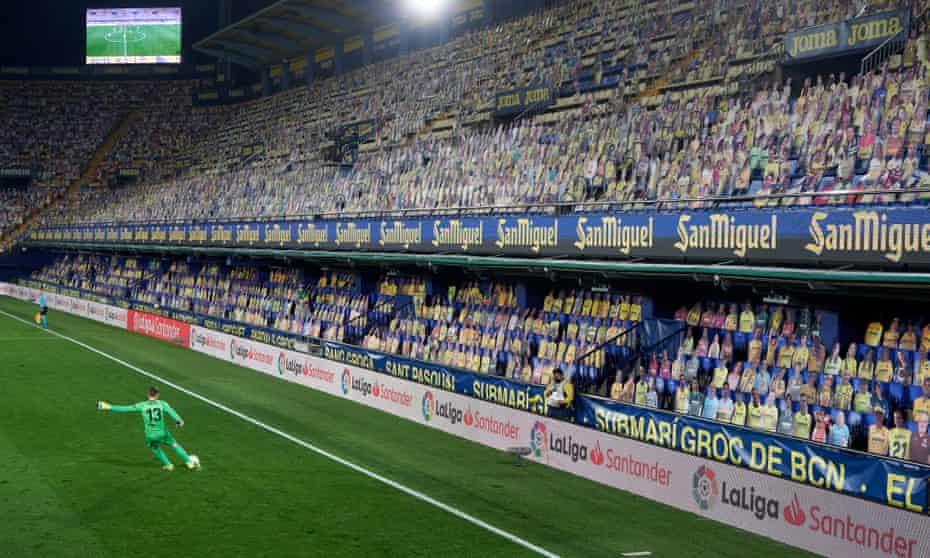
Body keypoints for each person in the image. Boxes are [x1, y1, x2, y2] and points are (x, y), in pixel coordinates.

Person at [96, 386, 200, 471]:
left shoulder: (142, 405)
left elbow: (125, 408)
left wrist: (108, 407)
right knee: (174, 444)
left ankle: (168, 465)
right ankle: (189, 462)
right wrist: (179, 421)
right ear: (157, 395)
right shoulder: (162, 403)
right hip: (163, 433)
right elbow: (171, 412)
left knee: (154, 447)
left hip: (150, 435)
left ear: (148, 394)